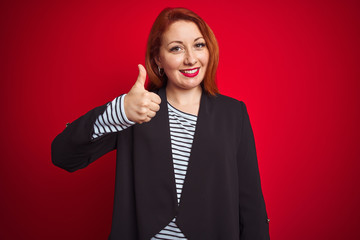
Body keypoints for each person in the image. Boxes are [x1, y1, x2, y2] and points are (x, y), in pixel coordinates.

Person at [51, 7, 270, 240]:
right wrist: (119, 111)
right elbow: (63, 155)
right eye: (176, 48)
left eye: (199, 45)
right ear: (158, 58)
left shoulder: (233, 113)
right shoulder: (136, 109)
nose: (190, 58)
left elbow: (251, 205)